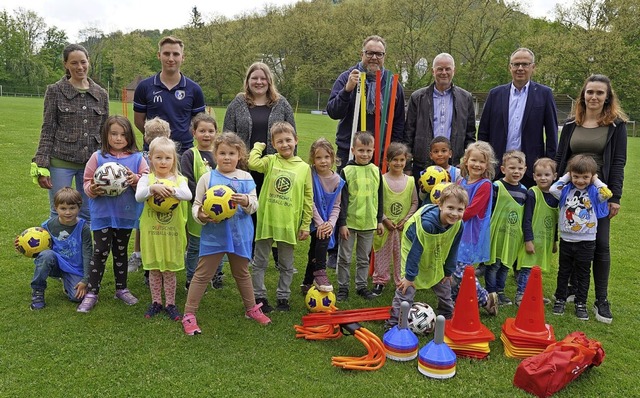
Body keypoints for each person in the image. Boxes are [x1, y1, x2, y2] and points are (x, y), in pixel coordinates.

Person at [554, 74, 627, 324]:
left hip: (597, 194)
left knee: (601, 245)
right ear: (583, 95)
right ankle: (573, 289)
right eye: (589, 92)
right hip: (571, 193)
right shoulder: (572, 123)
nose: (594, 97)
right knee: (571, 240)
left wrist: (614, 197)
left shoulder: (616, 126)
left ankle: (601, 299)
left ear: (607, 97)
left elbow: (618, 162)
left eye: (599, 93)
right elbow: (561, 155)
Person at [183, 132, 272, 335]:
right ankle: (189, 314)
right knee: (203, 273)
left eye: (231, 153)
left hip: (240, 234)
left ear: (239, 155)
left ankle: (251, 308)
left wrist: (246, 202)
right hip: (215, 234)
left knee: (241, 272)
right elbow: (196, 206)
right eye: (222, 153)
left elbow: (255, 205)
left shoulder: (246, 177)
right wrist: (202, 216)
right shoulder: (208, 178)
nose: (227, 157)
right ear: (215, 154)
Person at [223, 62, 296, 266]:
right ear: (248, 81)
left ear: (269, 81)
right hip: (245, 168)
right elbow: (228, 135)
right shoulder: (237, 104)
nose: (259, 81)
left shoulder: (281, 104)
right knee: (250, 208)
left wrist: (290, 164)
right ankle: (252, 252)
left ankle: (278, 254)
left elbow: (292, 135)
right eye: (254, 78)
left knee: (273, 208)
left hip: (275, 167)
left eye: (263, 78)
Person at [77, 116, 148, 313]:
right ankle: (92, 292)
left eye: (123, 134)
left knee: (120, 252)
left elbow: (147, 179)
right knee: (100, 251)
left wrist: (136, 179)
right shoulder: (98, 157)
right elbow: (86, 181)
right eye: (114, 134)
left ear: (130, 136)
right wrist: (92, 188)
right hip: (102, 214)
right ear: (105, 135)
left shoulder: (137, 158)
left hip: (125, 214)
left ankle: (121, 288)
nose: (118, 138)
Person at [32, 44, 109, 221]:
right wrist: (42, 164)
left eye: (83, 62)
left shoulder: (101, 94)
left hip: (91, 163)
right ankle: (59, 249)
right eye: (74, 63)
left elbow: (105, 130)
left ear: (89, 62)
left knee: (89, 212)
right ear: (66, 64)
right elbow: (48, 128)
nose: (80, 67)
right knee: (59, 210)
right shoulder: (55, 91)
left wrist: (109, 160)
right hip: (61, 161)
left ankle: (85, 249)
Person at [249, 121, 313, 312]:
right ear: (273, 144)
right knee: (260, 262)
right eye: (279, 141)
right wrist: (258, 147)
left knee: (286, 264)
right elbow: (252, 163)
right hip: (267, 221)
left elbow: (308, 197)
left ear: (296, 140)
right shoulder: (270, 161)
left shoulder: (304, 168)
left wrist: (305, 224)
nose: (284, 144)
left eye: (288, 140)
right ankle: (259, 296)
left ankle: (283, 297)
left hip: (288, 224)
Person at [386, 184, 468, 327]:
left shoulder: (458, 225)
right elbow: (415, 252)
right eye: (450, 208)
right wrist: (409, 277)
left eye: (460, 209)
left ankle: (447, 315)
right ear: (440, 205)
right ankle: (394, 323)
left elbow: (453, 249)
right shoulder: (427, 224)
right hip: (413, 245)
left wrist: (448, 271)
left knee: (442, 280)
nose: (455, 213)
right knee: (407, 288)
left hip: (435, 246)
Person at [478, 48, 558, 188]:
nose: (520, 68)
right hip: (497, 168)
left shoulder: (544, 94)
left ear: (533, 67)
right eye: (516, 64)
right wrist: (484, 161)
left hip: (529, 169)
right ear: (510, 67)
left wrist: (548, 166)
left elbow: (552, 133)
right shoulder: (495, 94)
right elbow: (484, 132)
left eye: (525, 64)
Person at [327, 35, 405, 169]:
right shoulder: (347, 77)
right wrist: (347, 90)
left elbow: (398, 121)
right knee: (347, 189)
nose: (374, 57)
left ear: (384, 56)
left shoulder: (392, 83)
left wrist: (393, 150)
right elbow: (333, 112)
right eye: (370, 53)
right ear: (362, 54)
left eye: (379, 54)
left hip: (380, 153)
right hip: (349, 151)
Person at [135, 137, 192, 320]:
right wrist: (153, 188)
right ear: (150, 158)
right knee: (154, 269)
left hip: (171, 233)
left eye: (167, 158)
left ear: (174, 160)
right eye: (158, 157)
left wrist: (171, 190)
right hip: (152, 233)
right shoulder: (146, 179)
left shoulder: (179, 179)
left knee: (168, 270)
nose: (163, 161)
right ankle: (156, 302)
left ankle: (171, 303)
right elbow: (138, 196)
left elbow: (188, 194)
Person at [550, 154, 612, 321]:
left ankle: (581, 303)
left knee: (583, 273)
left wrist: (596, 180)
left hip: (587, 241)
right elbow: (552, 189)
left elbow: (607, 193)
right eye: (576, 176)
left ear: (591, 176)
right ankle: (561, 299)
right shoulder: (566, 190)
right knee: (564, 271)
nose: (580, 181)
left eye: (585, 177)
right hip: (567, 239)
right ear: (571, 175)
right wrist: (567, 176)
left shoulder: (594, 192)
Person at [16, 187, 92, 310]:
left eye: (72, 208)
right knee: (46, 255)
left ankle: (67, 281)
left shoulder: (83, 228)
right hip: (55, 263)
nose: (68, 212)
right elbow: (38, 248)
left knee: (77, 298)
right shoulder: (48, 226)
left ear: (79, 207)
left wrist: (85, 280)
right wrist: (22, 246)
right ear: (56, 208)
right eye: (63, 208)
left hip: (74, 268)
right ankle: (37, 291)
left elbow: (88, 254)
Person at [405, 53, 476, 178]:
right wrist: (407, 166)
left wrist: (465, 163)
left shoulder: (465, 98)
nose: (444, 72)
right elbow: (408, 134)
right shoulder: (417, 98)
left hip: (453, 167)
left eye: (447, 69)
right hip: (423, 165)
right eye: (440, 69)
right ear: (433, 71)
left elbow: (470, 135)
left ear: (454, 71)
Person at [133, 36, 206, 155]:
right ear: (158, 55)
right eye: (166, 53)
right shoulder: (144, 87)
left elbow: (200, 123)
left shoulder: (194, 89)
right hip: (154, 152)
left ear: (183, 58)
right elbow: (138, 121)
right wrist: (154, 137)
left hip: (184, 152)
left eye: (176, 54)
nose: (171, 58)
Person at [336, 131, 384, 302]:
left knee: (364, 258)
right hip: (349, 223)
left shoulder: (376, 171)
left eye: (369, 151)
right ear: (353, 150)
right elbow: (341, 200)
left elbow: (380, 197)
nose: (365, 154)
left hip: (369, 223)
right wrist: (342, 223)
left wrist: (379, 220)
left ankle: (361, 286)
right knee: (345, 257)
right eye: (361, 150)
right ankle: (343, 287)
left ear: (373, 151)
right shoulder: (346, 171)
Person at [452, 141, 499, 315]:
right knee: (453, 268)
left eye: (482, 162)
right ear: (466, 160)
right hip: (456, 231)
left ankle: (486, 299)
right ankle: (455, 303)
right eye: (474, 160)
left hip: (470, 234)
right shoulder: (460, 180)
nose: (477, 165)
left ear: (487, 165)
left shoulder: (485, 185)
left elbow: (472, 210)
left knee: (463, 271)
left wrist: (450, 216)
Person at [372, 142, 418, 296]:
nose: (398, 163)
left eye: (401, 160)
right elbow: (376, 202)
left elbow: (414, 203)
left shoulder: (410, 181)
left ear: (406, 161)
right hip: (385, 227)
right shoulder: (382, 179)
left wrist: (406, 220)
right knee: (382, 254)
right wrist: (384, 219)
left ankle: (401, 281)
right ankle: (380, 281)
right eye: (394, 160)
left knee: (402, 255)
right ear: (387, 161)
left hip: (402, 228)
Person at [180, 113, 219, 290]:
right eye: (202, 130)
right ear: (194, 133)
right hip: (198, 209)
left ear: (216, 133)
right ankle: (191, 278)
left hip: (220, 210)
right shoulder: (190, 155)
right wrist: (205, 201)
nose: (207, 135)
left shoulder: (221, 154)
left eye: (211, 131)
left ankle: (216, 275)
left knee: (217, 245)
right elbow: (188, 180)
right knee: (195, 246)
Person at [301, 138, 345, 295]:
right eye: (318, 157)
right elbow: (309, 201)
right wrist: (320, 223)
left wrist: (331, 224)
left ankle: (307, 282)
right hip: (312, 218)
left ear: (333, 158)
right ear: (313, 159)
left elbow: (336, 205)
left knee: (315, 249)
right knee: (321, 240)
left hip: (327, 221)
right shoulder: (310, 174)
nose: (323, 161)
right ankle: (320, 271)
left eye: (326, 157)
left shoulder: (337, 180)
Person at [128, 117, 172, 273]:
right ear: (146, 137)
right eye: (152, 136)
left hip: (165, 200)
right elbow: (137, 176)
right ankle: (138, 255)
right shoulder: (141, 157)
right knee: (141, 226)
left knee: (159, 228)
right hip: (144, 200)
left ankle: (162, 256)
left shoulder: (170, 156)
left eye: (160, 136)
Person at [485, 150, 527, 306]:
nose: (516, 172)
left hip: (512, 235)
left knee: (505, 265)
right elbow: (489, 209)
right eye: (512, 168)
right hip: (496, 233)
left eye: (519, 168)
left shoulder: (524, 191)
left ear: (525, 170)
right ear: (503, 169)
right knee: (493, 264)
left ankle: (500, 291)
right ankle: (491, 292)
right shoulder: (497, 186)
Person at [517, 157, 559, 306]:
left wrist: (555, 241)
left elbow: (554, 222)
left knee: (537, 271)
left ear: (554, 176)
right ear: (534, 176)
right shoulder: (532, 194)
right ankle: (521, 295)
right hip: (532, 240)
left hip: (545, 242)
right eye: (539, 175)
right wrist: (528, 240)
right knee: (527, 269)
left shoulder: (556, 197)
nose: (543, 178)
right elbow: (526, 219)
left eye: (547, 175)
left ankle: (534, 294)